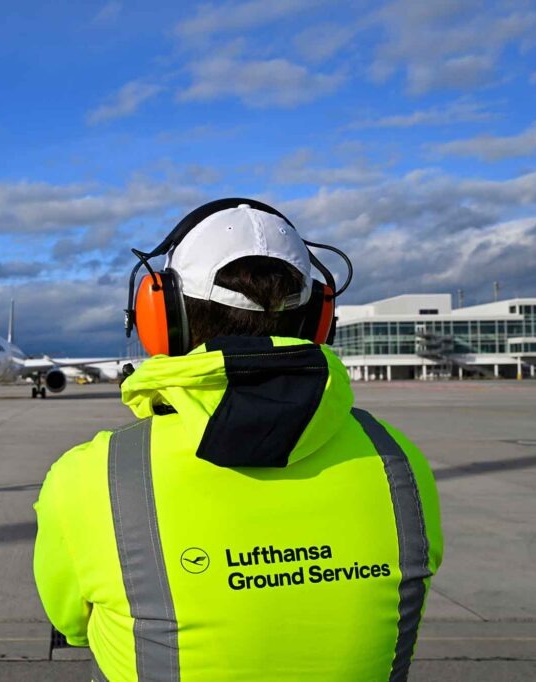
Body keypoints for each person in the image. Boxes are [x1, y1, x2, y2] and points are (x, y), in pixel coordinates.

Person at [33, 199, 442, 681]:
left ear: (160, 316)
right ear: (319, 319)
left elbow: (71, 624)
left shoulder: (91, 474)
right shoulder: (398, 458)